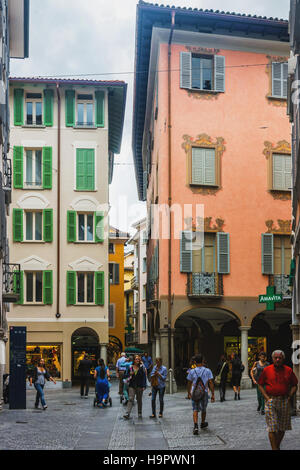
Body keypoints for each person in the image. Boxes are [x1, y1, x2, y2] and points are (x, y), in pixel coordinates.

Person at [258, 350, 298, 451]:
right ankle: (275, 448)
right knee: (272, 427)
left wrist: (289, 396)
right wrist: (266, 398)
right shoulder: (267, 370)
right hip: (271, 400)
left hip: (284, 400)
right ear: (272, 359)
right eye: (275, 358)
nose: (277, 359)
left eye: (279, 358)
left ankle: (276, 446)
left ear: (283, 359)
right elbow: (260, 384)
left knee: (282, 427)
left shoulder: (288, 370)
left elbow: (295, 385)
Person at [187, 354, 215, 435]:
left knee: (195, 409)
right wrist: (213, 394)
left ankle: (195, 426)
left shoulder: (192, 371)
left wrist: (189, 392)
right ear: (203, 361)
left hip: (195, 393)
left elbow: (189, 383)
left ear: (195, 362)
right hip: (204, 392)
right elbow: (210, 382)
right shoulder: (207, 370)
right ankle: (202, 423)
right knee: (204, 408)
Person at [123, 355, 147, 419]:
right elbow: (124, 375)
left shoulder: (142, 367)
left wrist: (144, 386)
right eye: (136, 359)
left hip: (139, 385)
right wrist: (129, 374)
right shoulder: (130, 367)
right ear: (134, 360)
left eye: (138, 359)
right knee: (130, 398)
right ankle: (127, 413)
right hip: (132, 385)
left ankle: (139, 413)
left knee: (139, 400)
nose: (137, 360)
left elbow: (144, 377)